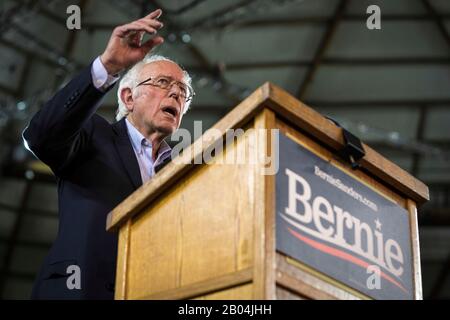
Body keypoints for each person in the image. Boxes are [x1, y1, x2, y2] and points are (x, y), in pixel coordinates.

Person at [22, 8, 194, 299]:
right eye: (163, 83)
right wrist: (109, 65)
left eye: (183, 91)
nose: (176, 93)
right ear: (128, 97)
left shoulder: (184, 172)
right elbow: (40, 136)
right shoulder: (91, 135)